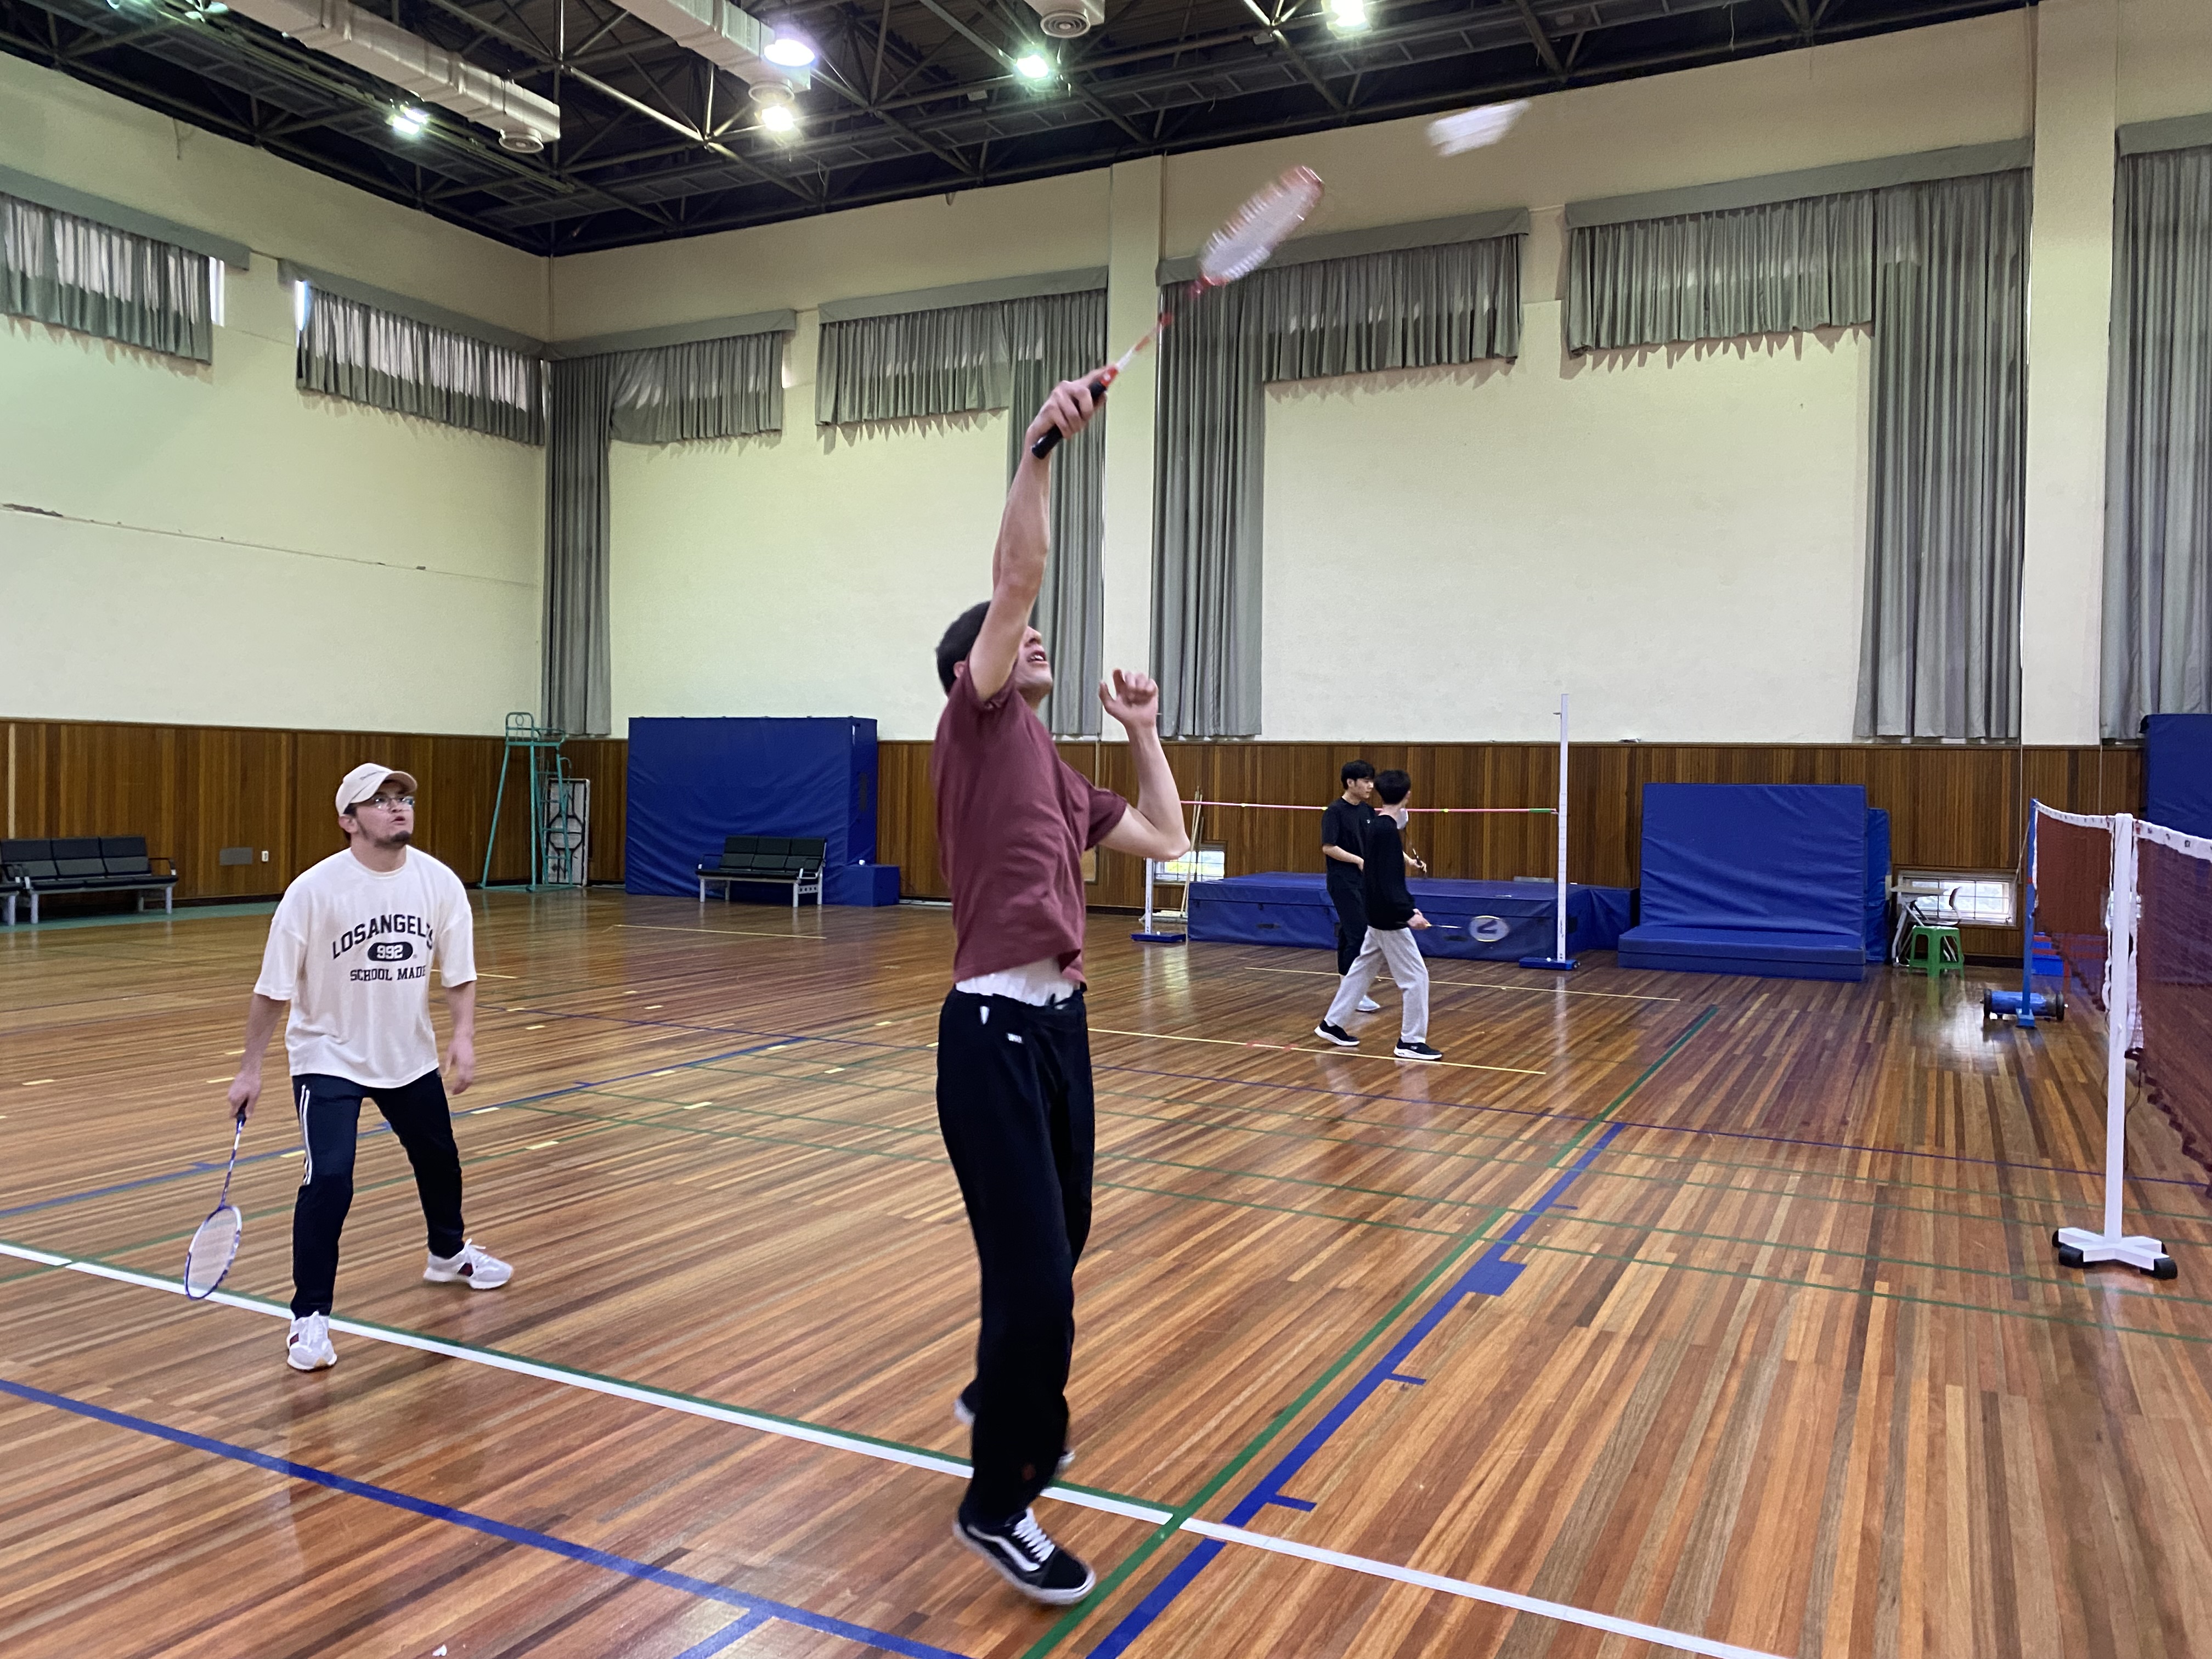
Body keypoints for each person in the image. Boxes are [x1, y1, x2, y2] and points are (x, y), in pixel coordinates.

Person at [930, 373, 1190, 1605]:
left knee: (1064, 1241)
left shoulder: (1054, 764)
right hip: (988, 1033)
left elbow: (1167, 840)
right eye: (1009, 635)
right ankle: (999, 1498)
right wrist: (1038, 447)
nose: (1032, 636)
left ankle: (1003, 1388)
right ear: (972, 669)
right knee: (1035, 1281)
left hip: (1062, 1031)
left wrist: (1140, 727)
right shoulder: (977, 728)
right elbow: (1018, 575)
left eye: (1029, 635)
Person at [226, 764, 510, 1373]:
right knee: (329, 1179)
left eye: (403, 797)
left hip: (408, 1054)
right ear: (348, 821)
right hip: (327, 1055)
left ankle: (447, 1254)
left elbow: (460, 973)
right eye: (379, 801)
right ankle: (309, 1317)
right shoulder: (313, 891)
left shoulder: (438, 882)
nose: (398, 807)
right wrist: (250, 1069)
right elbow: (273, 989)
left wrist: (463, 1037)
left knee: (440, 1159)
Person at [1313, 769, 1443, 1062]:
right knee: (1416, 978)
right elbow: (1387, 881)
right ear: (1408, 795)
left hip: (1376, 912)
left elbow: (1379, 875)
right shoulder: (1384, 830)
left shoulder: (1379, 826)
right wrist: (1407, 912)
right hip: (1387, 917)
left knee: (1361, 970)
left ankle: (1332, 1024)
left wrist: (1405, 906)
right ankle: (1411, 1041)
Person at [1321, 761, 1382, 1012]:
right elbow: (1329, 847)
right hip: (1343, 882)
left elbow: (1380, 842)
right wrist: (1358, 860)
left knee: (1349, 933)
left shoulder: (1367, 811)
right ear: (1350, 782)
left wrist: (1408, 860)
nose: (1371, 786)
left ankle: (1348, 992)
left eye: (1371, 781)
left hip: (1364, 883)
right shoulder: (1335, 811)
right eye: (1366, 781)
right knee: (1359, 933)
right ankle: (1354, 994)